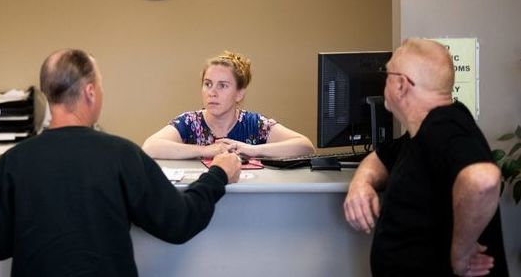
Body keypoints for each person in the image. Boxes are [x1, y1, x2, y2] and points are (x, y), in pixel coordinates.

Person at [0, 49, 241, 277]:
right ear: (90, 92)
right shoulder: (122, 155)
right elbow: (179, 222)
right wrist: (218, 173)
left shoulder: (12, 162)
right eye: (100, 85)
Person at [343, 39, 508, 276]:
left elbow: (483, 179)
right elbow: (380, 158)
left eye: (386, 74)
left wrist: (460, 256)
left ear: (401, 85)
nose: (383, 81)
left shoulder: (446, 126)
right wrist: (361, 183)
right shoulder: (421, 134)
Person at [143, 50, 315, 159]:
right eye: (208, 84)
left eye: (223, 86)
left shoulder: (255, 124)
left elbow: (305, 146)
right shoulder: (190, 122)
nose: (212, 92)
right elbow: (150, 147)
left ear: (239, 93)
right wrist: (205, 150)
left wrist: (252, 150)